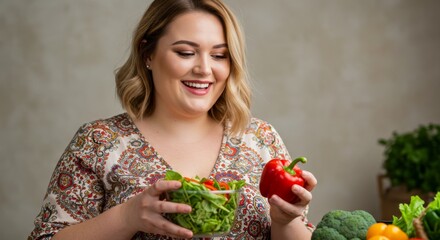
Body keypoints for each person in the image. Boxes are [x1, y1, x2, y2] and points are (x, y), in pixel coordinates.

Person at [29, 0, 317, 239]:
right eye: (185, 52)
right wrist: (127, 217)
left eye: (219, 55)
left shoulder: (260, 139)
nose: (205, 69)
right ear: (148, 54)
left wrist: (284, 221)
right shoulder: (99, 141)